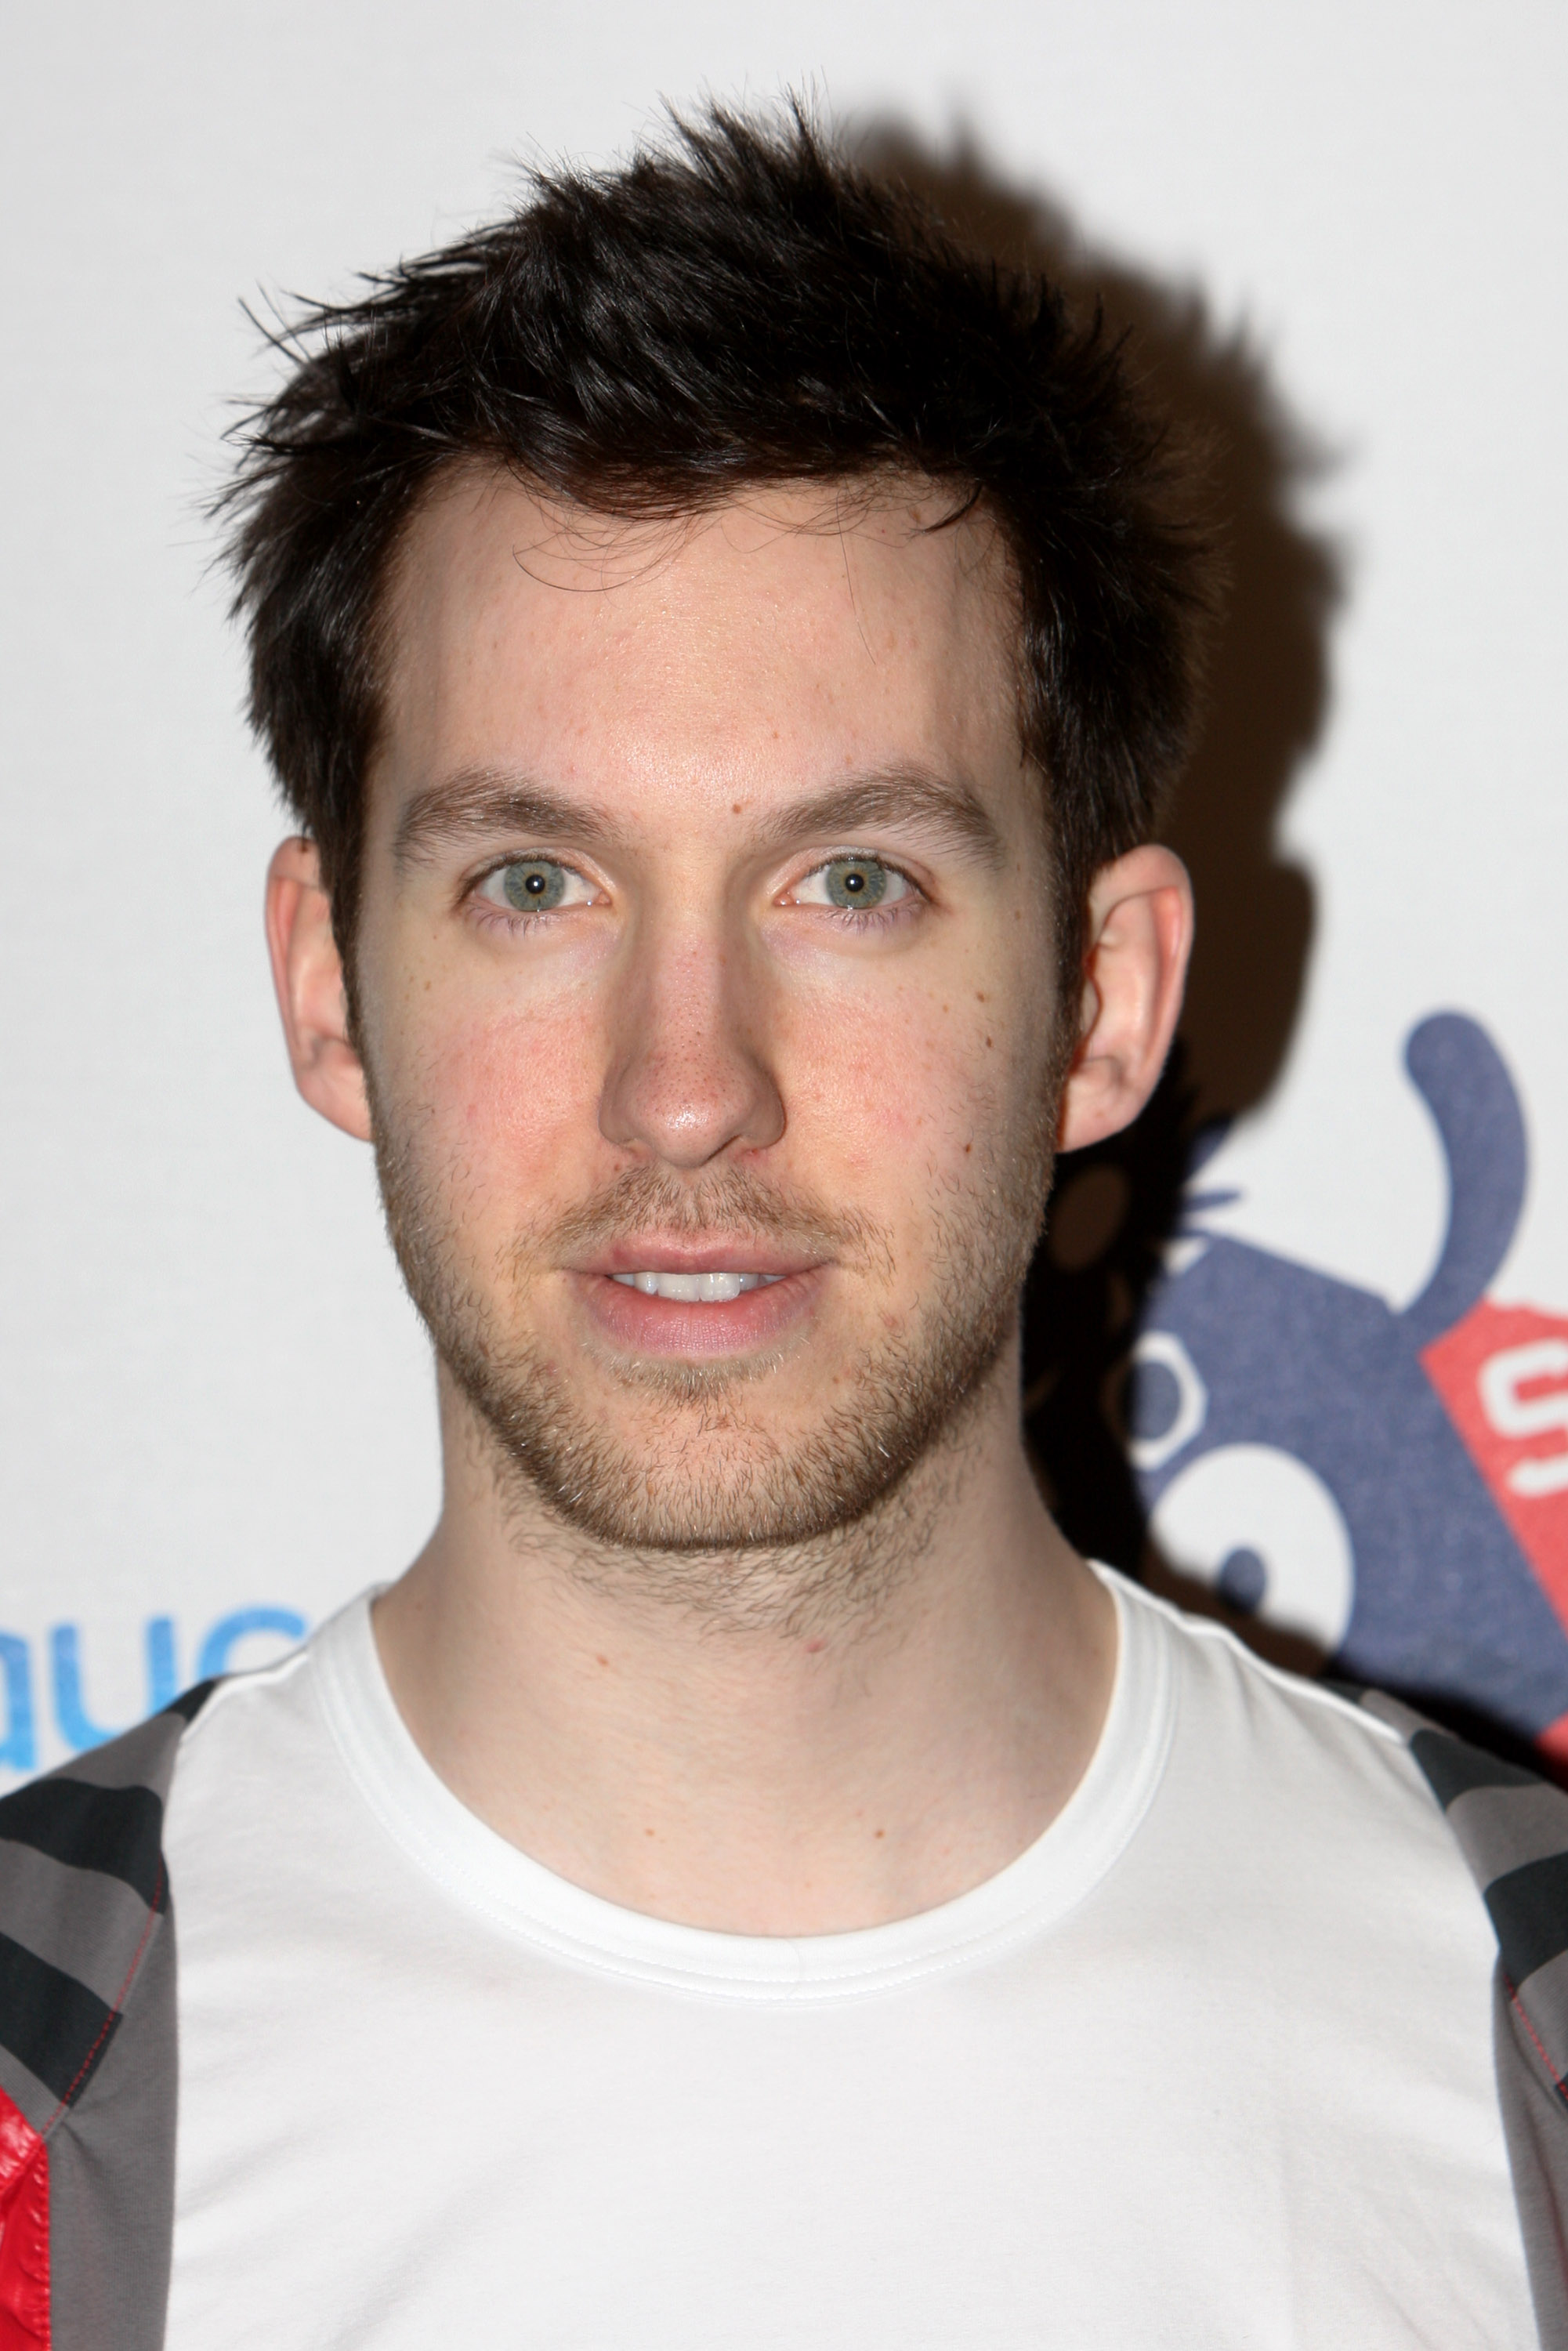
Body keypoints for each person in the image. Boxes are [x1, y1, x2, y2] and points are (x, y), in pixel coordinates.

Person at [0, 100, 1561, 2351]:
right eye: (534, 884)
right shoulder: (37, 2099)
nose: (687, 1084)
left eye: (853, 884)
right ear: (330, 987)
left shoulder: (1529, 2044)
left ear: (1100, 1002)